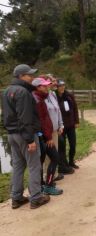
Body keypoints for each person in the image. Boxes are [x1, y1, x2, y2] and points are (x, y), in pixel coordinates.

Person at [1, 64, 50, 209]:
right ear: (21, 76)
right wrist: (30, 139)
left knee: (17, 165)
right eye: (29, 75)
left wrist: (10, 130)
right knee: (34, 165)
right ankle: (36, 197)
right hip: (25, 135)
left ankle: (16, 198)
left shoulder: (6, 91)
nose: (32, 77)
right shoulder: (23, 92)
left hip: (12, 134)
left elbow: (5, 115)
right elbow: (25, 117)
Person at [32, 78, 64, 195]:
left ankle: (43, 185)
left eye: (47, 86)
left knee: (45, 160)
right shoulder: (38, 101)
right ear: (38, 87)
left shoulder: (41, 97)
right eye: (44, 86)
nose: (47, 87)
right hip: (43, 136)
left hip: (43, 135)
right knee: (53, 158)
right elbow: (42, 120)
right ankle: (47, 186)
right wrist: (48, 137)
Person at [56, 80, 80, 169]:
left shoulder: (69, 96)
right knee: (62, 146)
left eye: (63, 85)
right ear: (56, 87)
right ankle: (64, 164)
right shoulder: (54, 96)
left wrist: (76, 121)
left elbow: (75, 108)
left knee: (73, 144)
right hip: (61, 126)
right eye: (60, 86)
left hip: (71, 124)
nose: (62, 87)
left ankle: (71, 161)